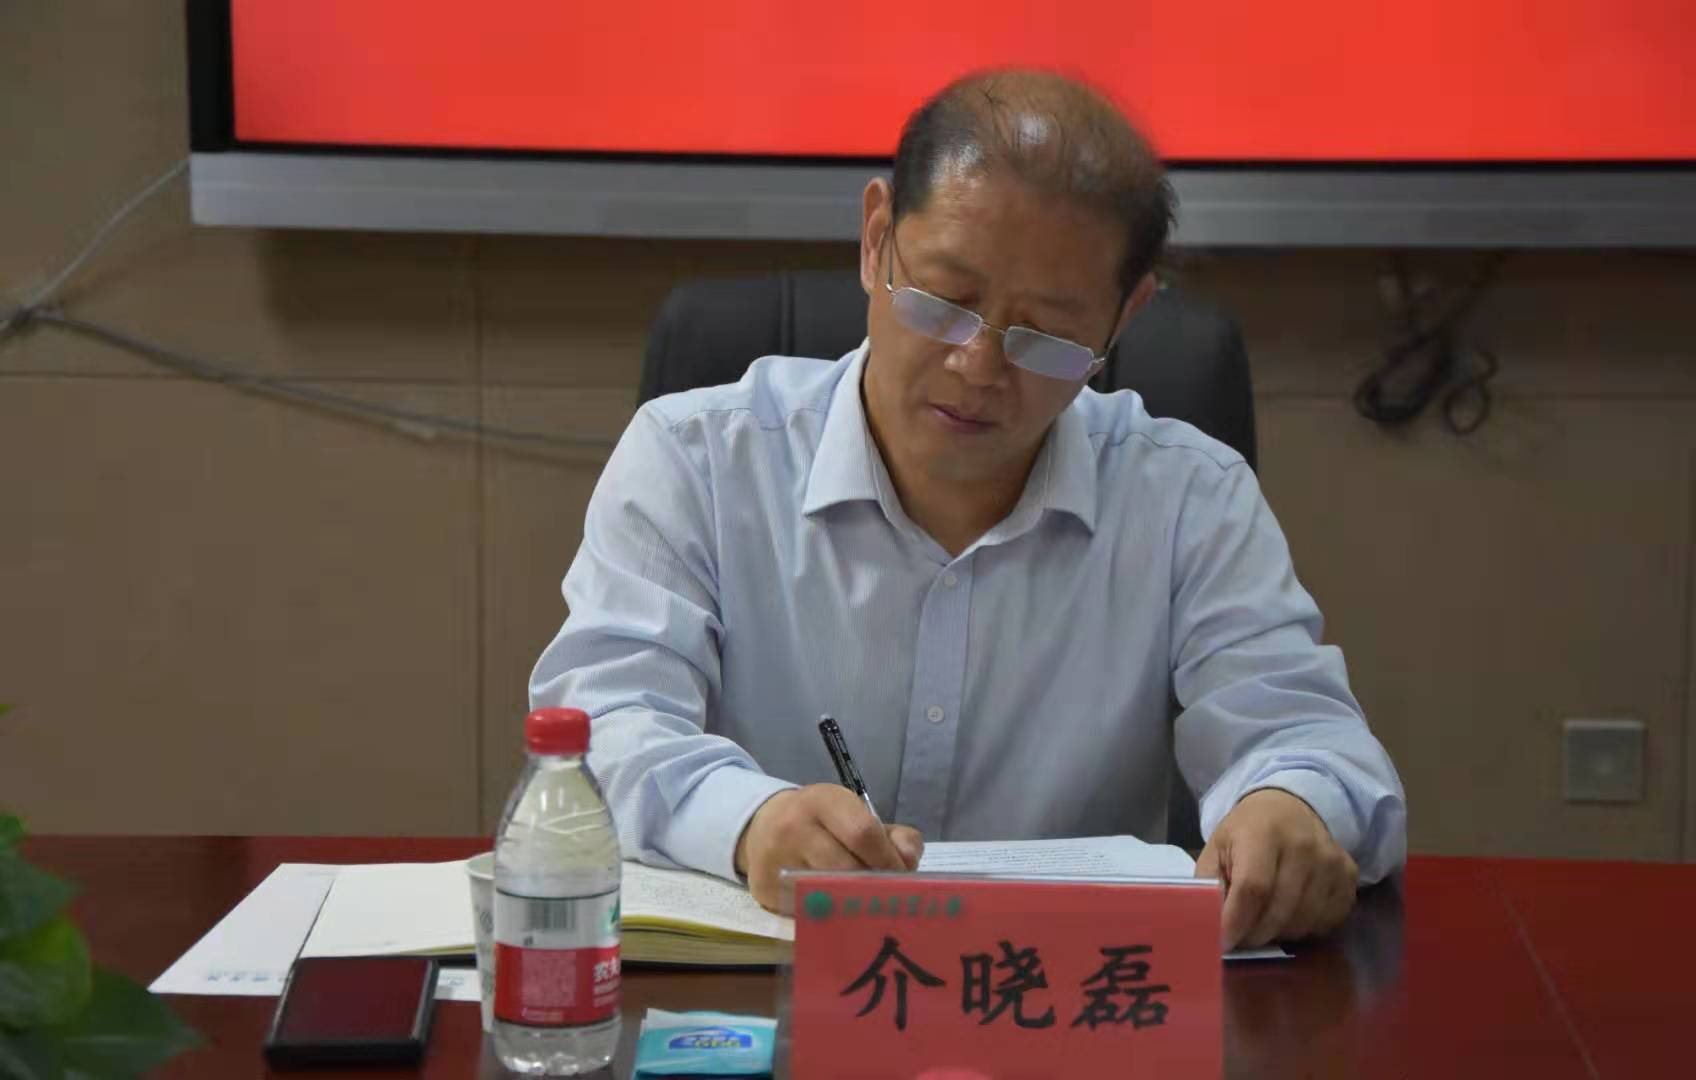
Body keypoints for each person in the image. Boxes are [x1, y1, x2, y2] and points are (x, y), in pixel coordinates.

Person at [531, 69, 1406, 948]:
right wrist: (749, 821)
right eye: (946, 301)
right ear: (877, 239)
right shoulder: (697, 459)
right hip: (768, 988)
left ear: (1122, 317)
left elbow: (1311, 742)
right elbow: (604, 727)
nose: (979, 366)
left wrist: (1288, 804)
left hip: (1066, 992)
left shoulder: (1188, 498)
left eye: (1047, 332)